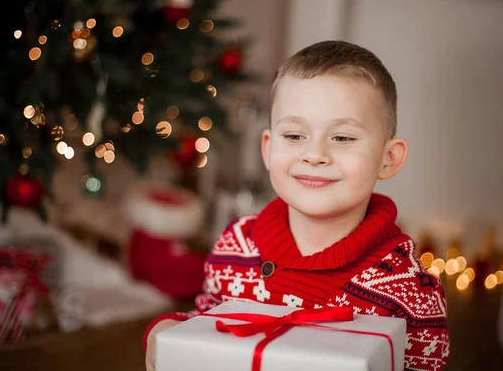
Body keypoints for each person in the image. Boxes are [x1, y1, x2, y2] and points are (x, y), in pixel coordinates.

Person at [144, 40, 450, 371]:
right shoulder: (237, 246)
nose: (315, 154)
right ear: (268, 148)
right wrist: (170, 328)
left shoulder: (407, 288)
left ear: (388, 159)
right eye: (294, 136)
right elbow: (208, 320)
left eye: (343, 138)